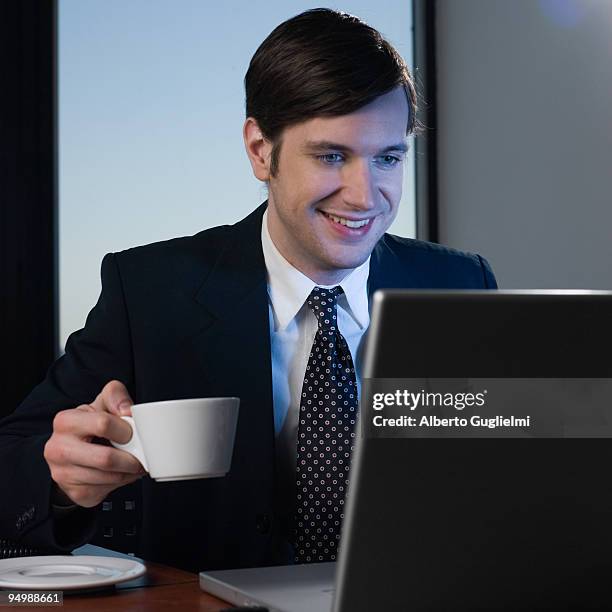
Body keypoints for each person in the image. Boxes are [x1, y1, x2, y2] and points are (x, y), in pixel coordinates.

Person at [0, 8, 496, 572]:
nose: (365, 195)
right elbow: (13, 465)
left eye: (387, 158)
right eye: (332, 156)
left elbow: (509, 475)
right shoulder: (150, 291)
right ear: (261, 150)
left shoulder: (459, 285)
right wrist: (63, 481)